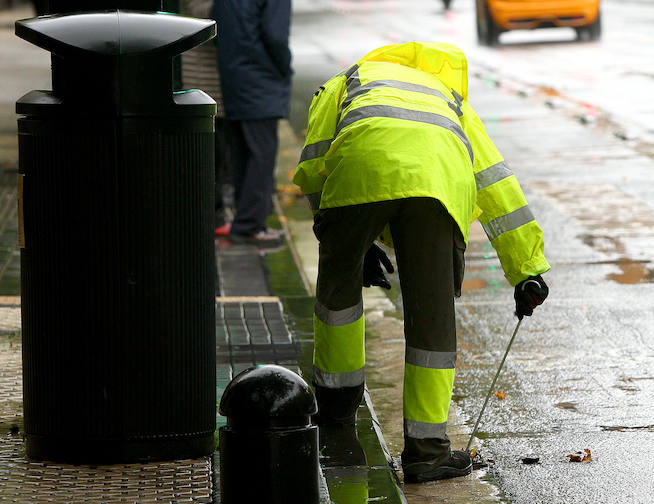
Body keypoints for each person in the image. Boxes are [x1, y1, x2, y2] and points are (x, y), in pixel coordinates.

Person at [293, 41, 550, 484]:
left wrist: (336, 227)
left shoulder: (349, 81)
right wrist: (526, 269)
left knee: (338, 296)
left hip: (357, 174)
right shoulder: (449, 98)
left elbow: (315, 159)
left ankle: (335, 412)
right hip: (437, 188)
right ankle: (426, 454)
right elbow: (496, 186)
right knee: (432, 317)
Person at [212, 0, 292, 244]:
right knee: (262, 152)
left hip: (233, 73)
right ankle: (250, 225)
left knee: (241, 150)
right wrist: (284, 68)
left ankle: (243, 219)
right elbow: (276, 36)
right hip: (261, 77)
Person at [180, 0, 233, 237]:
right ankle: (211, 214)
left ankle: (212, 212)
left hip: (207, 77)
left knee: (215, 149)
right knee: (212, 149)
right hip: (204, 77)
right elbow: (206, 18)